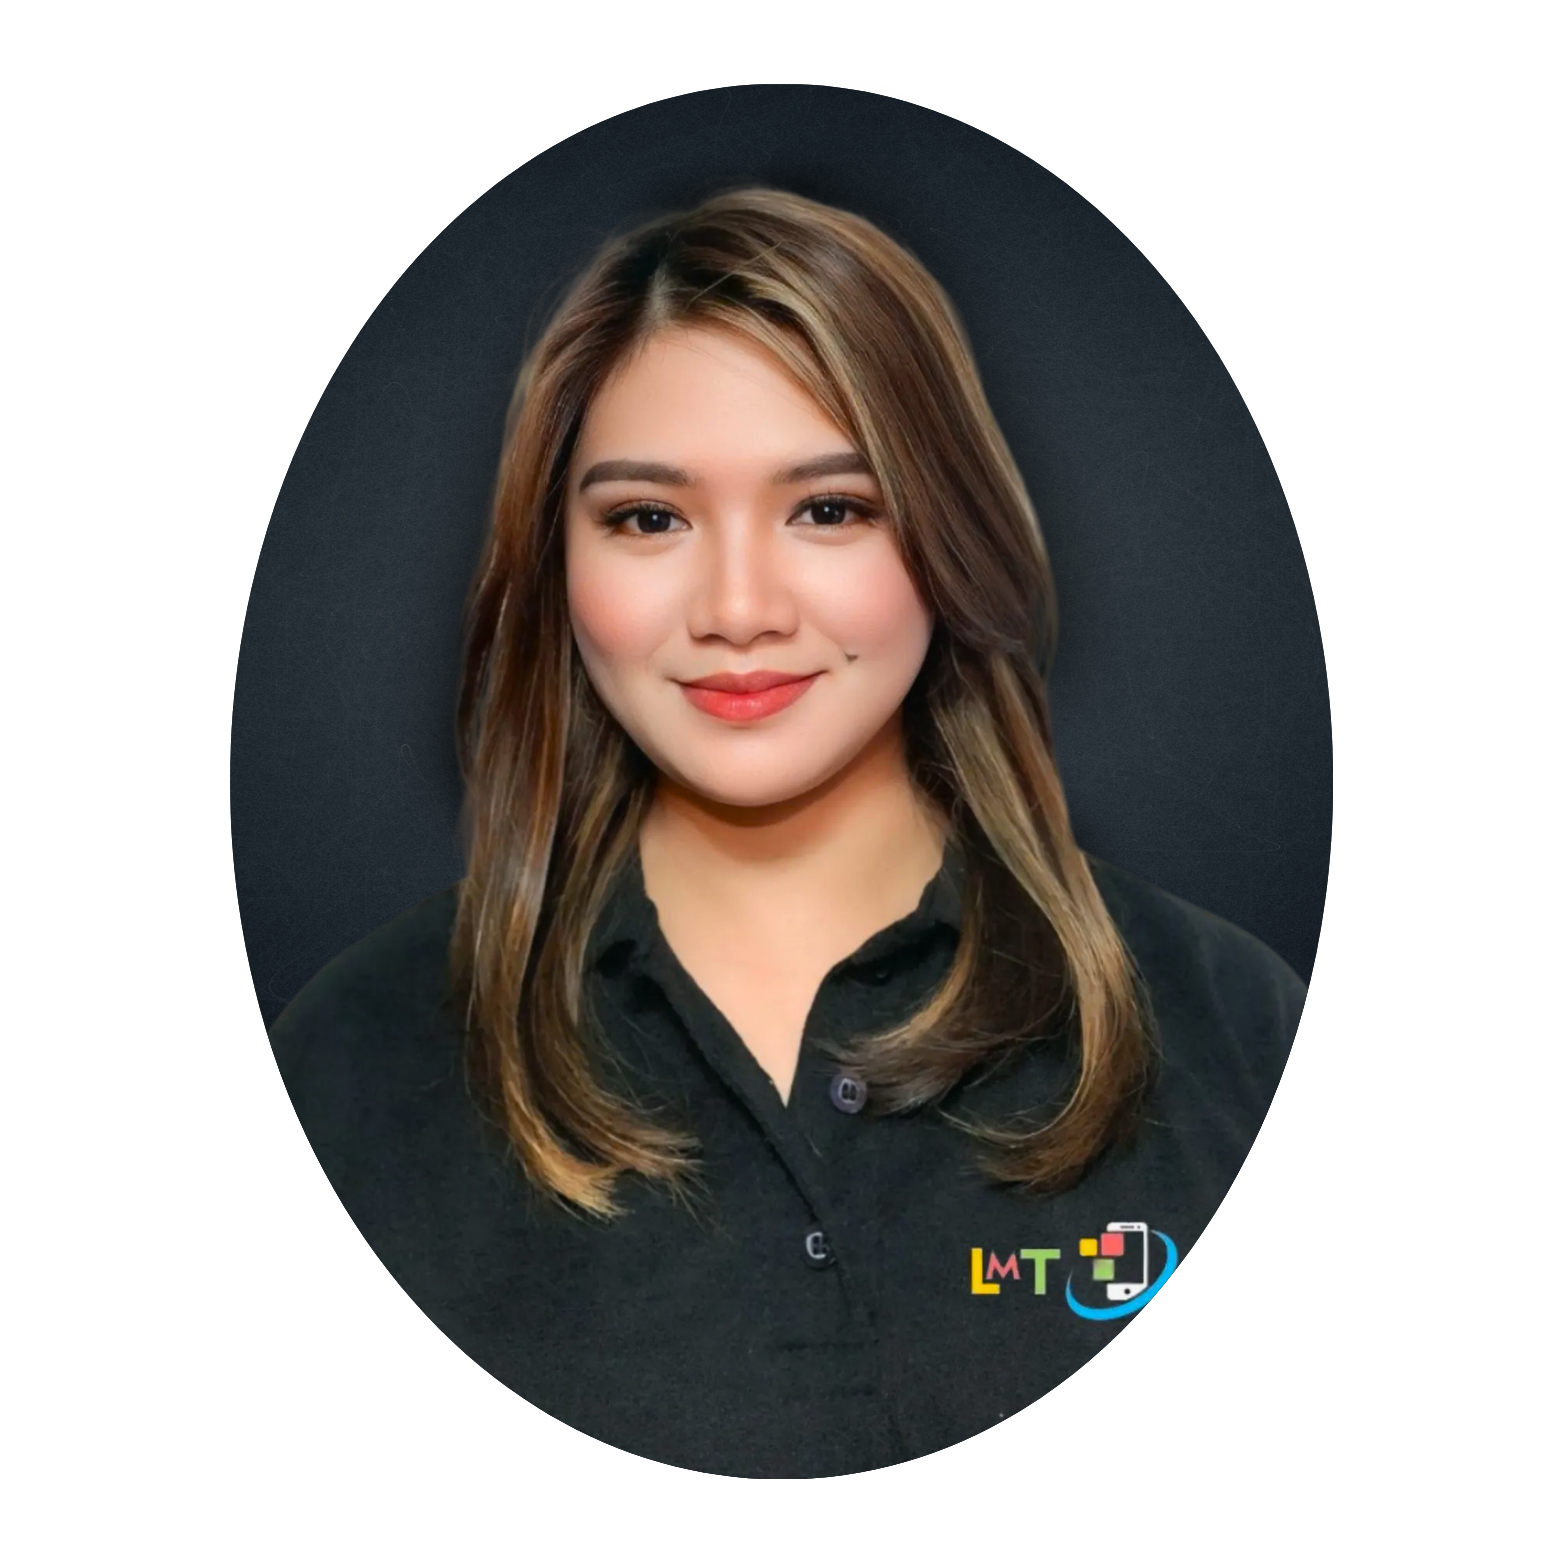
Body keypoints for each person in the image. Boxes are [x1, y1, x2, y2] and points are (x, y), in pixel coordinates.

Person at [270, 188, 1307, 1476]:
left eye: (830, 508)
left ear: (946, 532)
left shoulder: (1235, 1032)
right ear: (559, 564)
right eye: (649, 518)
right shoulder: (346, 1067)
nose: (739, 608)